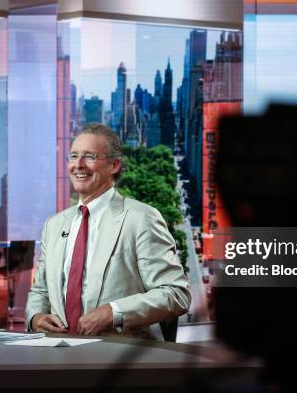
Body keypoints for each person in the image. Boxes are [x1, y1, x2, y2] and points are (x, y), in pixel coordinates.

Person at [25, 123, 191, 340]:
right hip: (59, 359)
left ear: (114, 165)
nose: (78, 165)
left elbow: (175, 293)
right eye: (73, 156)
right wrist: (35, 317)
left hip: (119, 360)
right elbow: (41, 290)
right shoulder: (54, 225)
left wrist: (114, 312)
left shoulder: (141, 219)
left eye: (90, 157)